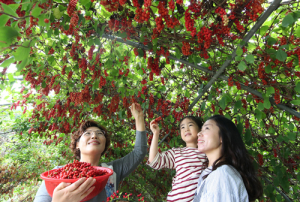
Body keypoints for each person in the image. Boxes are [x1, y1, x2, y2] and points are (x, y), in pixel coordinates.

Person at [34, 103, 147, 202]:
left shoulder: (112, 171)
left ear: (104, 145)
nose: (94, 136)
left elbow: (139, 152)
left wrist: (139, 118)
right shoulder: (56, 174)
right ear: (77, 144)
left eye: (99, 133)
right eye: (87, 133)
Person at [193, 115, 263, 201]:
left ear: (223, 137)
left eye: (206, 128)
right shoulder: (215, 174)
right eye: (201, 130)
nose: (199, 133)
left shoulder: (222, 174)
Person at [147, 116, 207, 202]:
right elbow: (154, 161)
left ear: (200, 130)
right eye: (182, 127)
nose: (186, 129)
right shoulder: (177, 153)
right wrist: (156, 133)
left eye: (190, 125)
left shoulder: (207, 152)